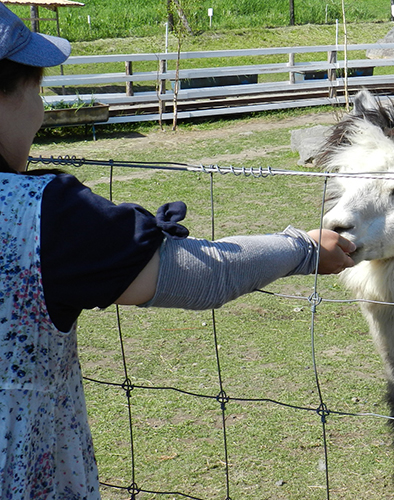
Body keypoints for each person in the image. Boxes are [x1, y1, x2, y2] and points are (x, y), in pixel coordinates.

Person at [0, 5, 355, 499]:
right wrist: (303, 248)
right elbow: (205, 275)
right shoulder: (41, 215)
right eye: (35, 88)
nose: (40, 109)